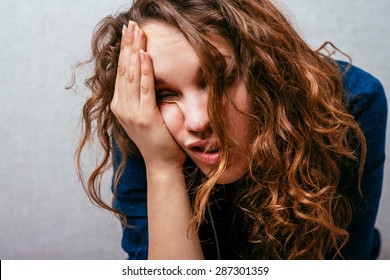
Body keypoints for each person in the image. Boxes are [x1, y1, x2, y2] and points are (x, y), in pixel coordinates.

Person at [74, 0, 387, 259]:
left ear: (265, 67)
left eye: (219, 79)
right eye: (164, 93)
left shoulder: (347, 106)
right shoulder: (142, 121)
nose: (198, 121)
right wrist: (162, 167)